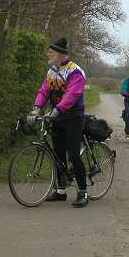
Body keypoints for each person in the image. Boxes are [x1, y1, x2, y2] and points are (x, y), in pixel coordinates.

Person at [30, 37, 89, 207]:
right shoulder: (51, 71)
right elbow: (43, 91)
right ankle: (61, 190)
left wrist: (56, 110)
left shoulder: (75, 72)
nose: (48, 54)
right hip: (57, 117)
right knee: (58, 154)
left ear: (61, 55)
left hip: (72, 117)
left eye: (51, 52)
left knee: (73, 154)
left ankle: (83, 192)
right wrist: (37, 108)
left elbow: (72, 95)